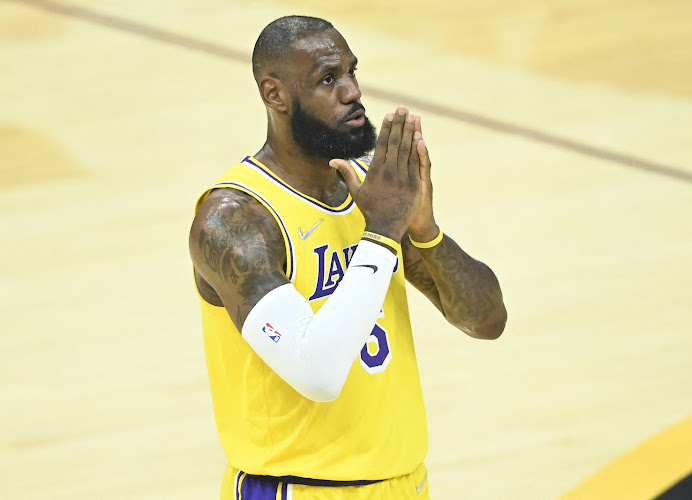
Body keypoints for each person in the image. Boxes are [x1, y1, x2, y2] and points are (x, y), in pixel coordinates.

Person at [188, 15, 508, 500]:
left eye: (352, 72)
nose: (352, 91)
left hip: (403, 484)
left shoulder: (370, 191)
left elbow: (486, 321)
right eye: (327, 79)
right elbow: (317, 371)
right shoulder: (235, 218)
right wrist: (382, 232)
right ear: (275, 95)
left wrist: (424, 232)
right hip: (297, 489)